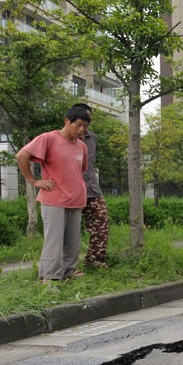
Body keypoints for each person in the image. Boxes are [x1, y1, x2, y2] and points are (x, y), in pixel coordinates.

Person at [15, 104, 90, 283]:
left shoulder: (81, 146)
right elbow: (21, 156)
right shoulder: (48, 138)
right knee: (54, 242)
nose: (81, 130)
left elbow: (80, 171)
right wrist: (33, 181)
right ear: (66, 121)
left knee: (73, 244)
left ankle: (67, 274)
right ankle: (49, 278)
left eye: (85, 127)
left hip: (76, 200)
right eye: (78, 125)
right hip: (54, 199)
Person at [74, 103, 109, 269]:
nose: (85, 125)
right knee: (69, 231)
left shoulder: (92, 138)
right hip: (70, 191)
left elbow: (91, 163)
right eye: (83, 120)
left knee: (101, 223)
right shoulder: (63, 137)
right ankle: (65, 266)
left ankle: (95, 259)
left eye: (88, 121)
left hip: (92, 190)